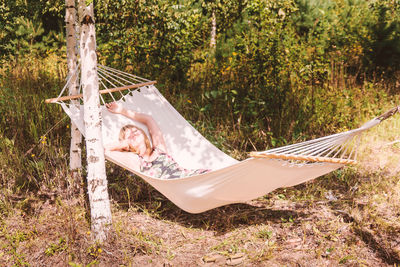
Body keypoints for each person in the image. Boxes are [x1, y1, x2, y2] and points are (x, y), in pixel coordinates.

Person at [104, 102, 209, 179]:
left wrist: (122, 110)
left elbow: (148, 119)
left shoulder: (160, 150)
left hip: (193, 177)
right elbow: (103, 150)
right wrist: (122, 144)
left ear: (144, 135)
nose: (134, 134)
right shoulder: (135, 160)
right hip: (180, 186)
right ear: (126, 144)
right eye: (129, 136)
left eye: (135, 131)